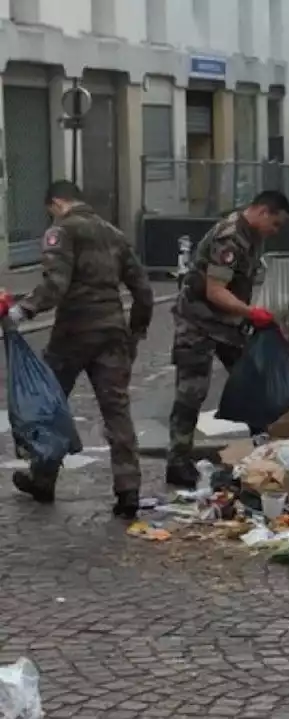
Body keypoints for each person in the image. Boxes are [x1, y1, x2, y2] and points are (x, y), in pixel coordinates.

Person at [0, 180, 153, 518]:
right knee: (117, 411)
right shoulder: (114, 233)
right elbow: (143, 289)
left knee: (48, 405)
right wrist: (136, 331)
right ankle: (128, 489)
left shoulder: (62, 231)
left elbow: (56, 284)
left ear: (56, 203)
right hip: (112, 332)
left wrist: (22, 310)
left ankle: (43, 478)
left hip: (72, 333)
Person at [166, 190, 289, 489]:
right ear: (262, 212)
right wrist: (251, 313)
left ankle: (264, 449)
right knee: (191, 393)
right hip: (198, 322)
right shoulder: (230, 238)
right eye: (275, 224)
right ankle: (178, 462)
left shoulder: (253, 237)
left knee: (252, 381)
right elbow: (215, 290)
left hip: (228, 324)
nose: (276, 232)